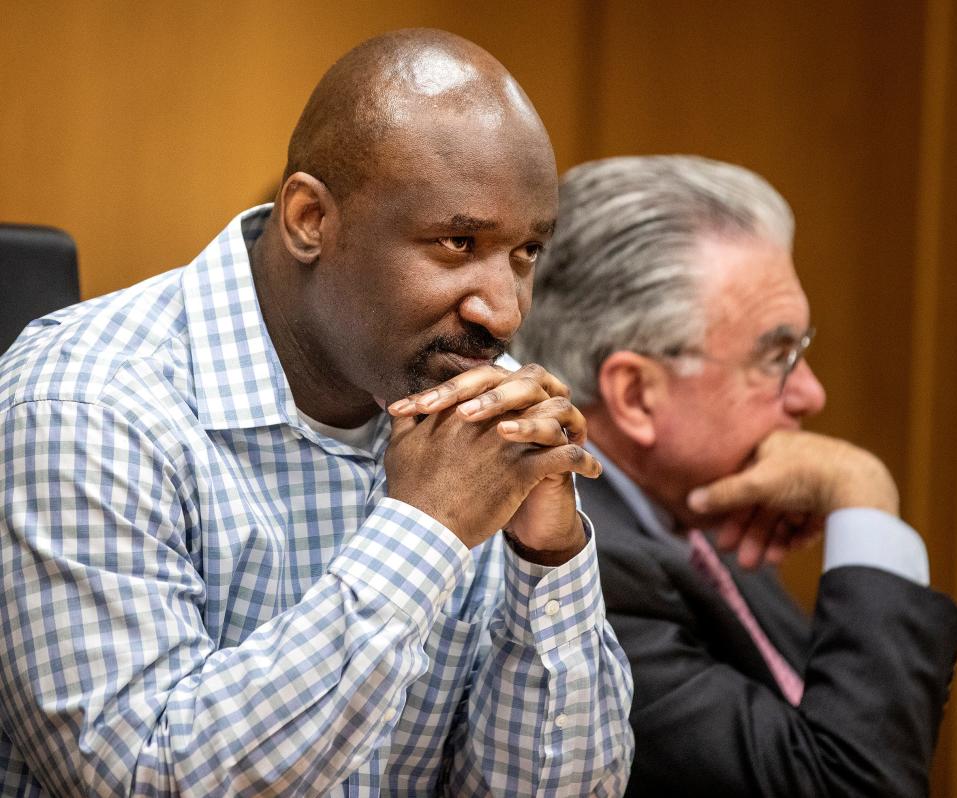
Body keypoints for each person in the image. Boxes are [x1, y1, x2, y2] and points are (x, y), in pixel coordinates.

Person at [0, 30, 634, 796]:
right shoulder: (86, 402)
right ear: (309, 219)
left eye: (526, 253)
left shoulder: (476, 418)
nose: (503, 312)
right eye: (457, 242)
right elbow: (146, 776)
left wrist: (548, 563)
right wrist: (423, 533)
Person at [513, 154, 957, 797]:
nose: (812, 394)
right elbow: (848, 784)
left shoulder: (696, 509)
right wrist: (865, 497)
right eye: (777, 357)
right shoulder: (576, 568)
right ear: (637, 394)